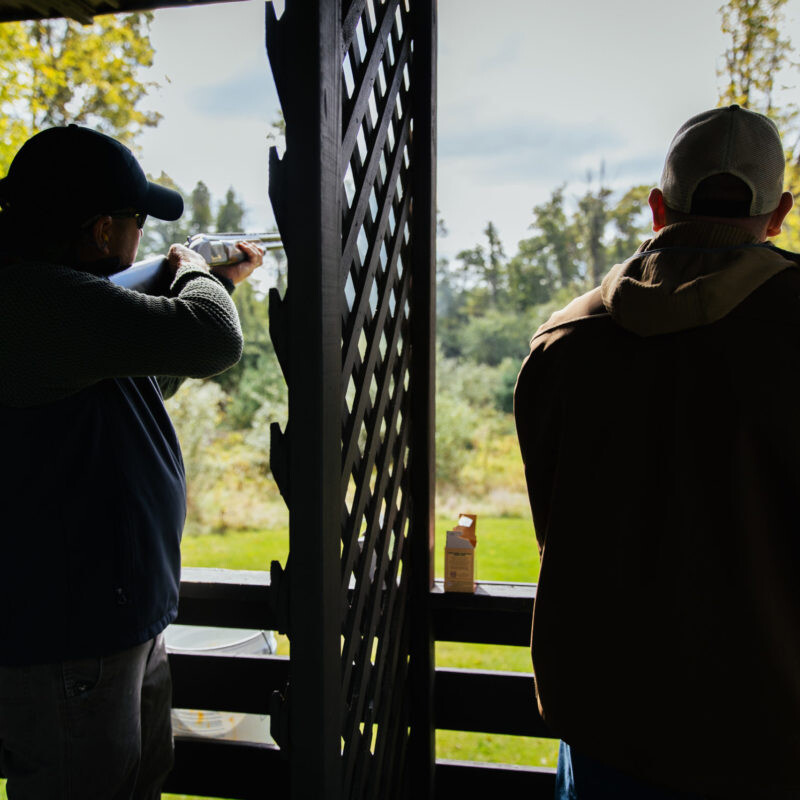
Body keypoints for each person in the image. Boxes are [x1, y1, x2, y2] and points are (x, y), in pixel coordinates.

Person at [514, 104, 800, 800]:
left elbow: (554, 525)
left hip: (611, 723)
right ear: (779, 212)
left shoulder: (564, 344)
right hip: (774, 730)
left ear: (656, 208)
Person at [0, 124, 263, 799]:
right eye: (135, 220)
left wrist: (211, 281)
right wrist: (199, 275)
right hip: (70, 636)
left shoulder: (64, 298)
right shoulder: (35, 297)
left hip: (113, 624)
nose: (141, 235)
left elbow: (144, 381)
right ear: (97, 231)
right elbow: (210, 342)